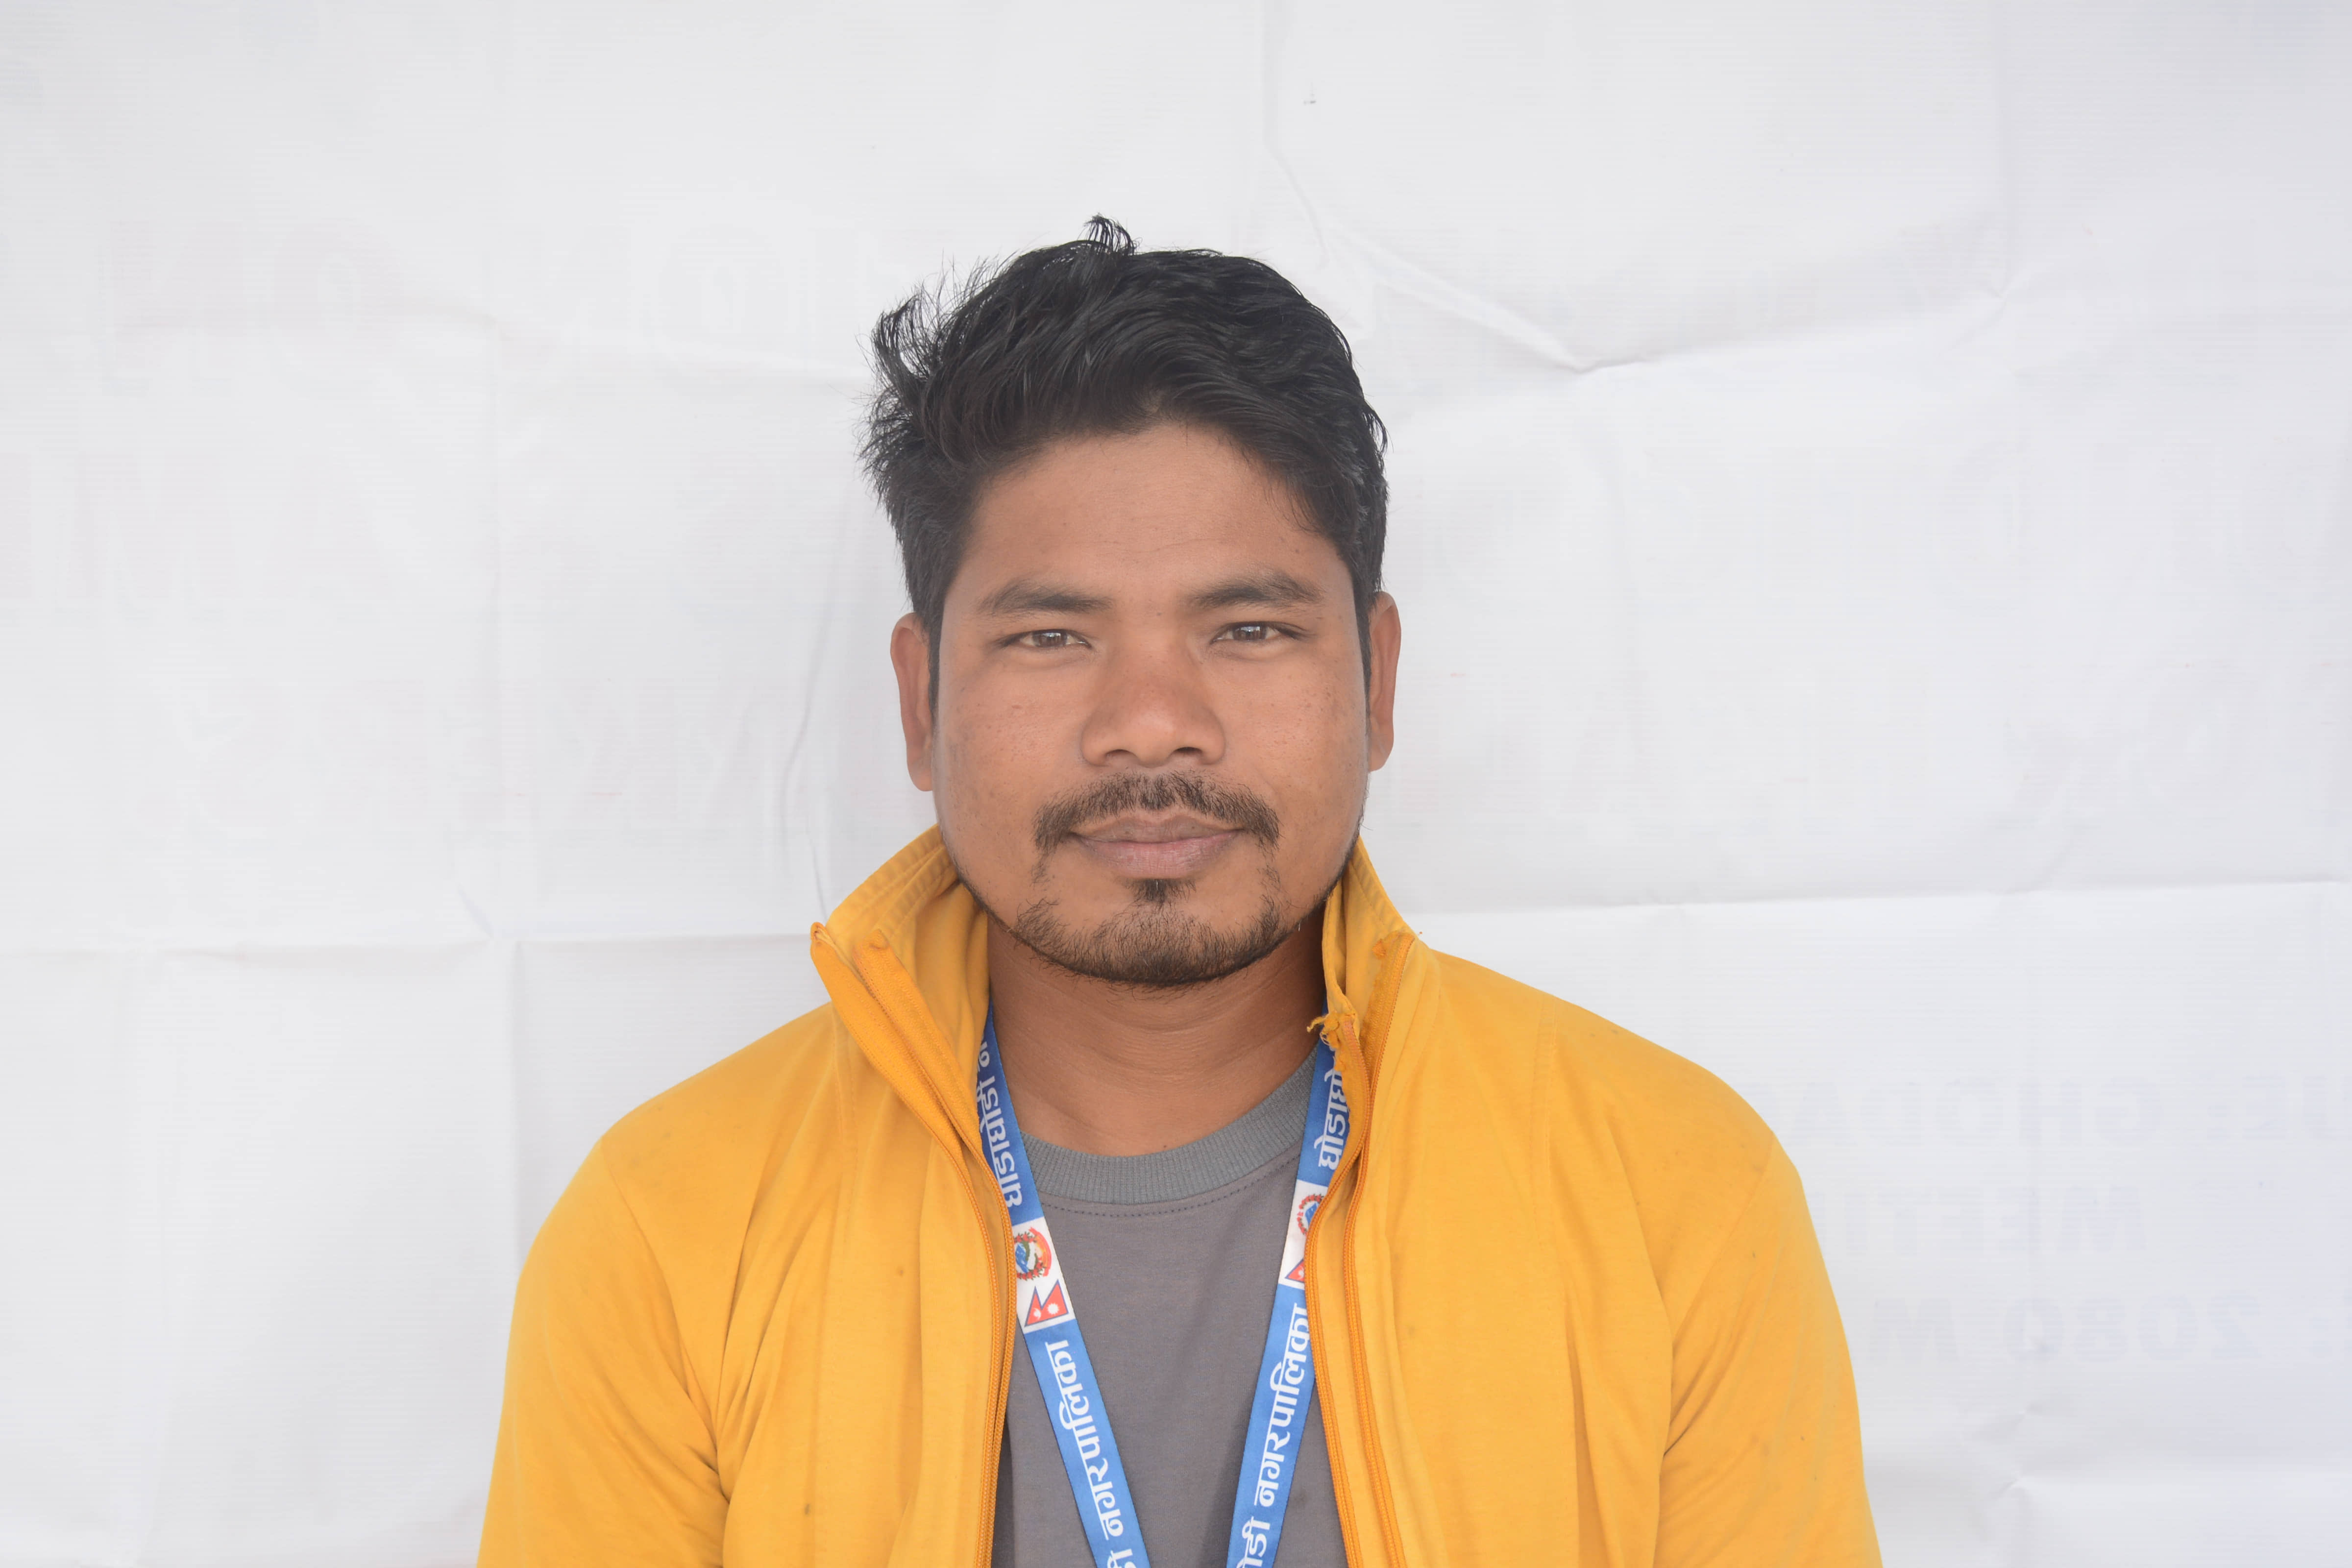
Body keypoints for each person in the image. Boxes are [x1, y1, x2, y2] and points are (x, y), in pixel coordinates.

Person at [479, 218, 1880, 1568]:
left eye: (1249, 628)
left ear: (1379, 684)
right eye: (1052, 636)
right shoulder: (671, 1233)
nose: (1152, 724)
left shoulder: (1674, 1197)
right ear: (920, 703)